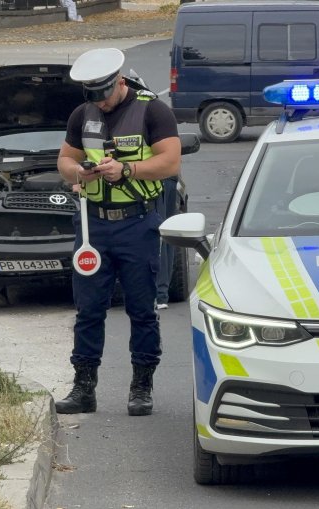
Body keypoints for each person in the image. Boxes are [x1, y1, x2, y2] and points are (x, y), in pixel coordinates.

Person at [56, 48, 181, 416]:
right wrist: (77, 173)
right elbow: (65, 158)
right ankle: (84, 387)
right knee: (88, 310)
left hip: (136, 223)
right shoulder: (83, 114)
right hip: (93, 225)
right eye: (91, 95)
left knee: (141, 309)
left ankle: (141, 385)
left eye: (104, 93)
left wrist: (126, 171)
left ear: (120, 82)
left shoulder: (152, 110)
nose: (100, 102)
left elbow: (170, 161)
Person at [154, 175, 178, 309]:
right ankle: (161, 293)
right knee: (166, 232)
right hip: (169, 177)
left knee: (157, 232)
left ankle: (159, 293)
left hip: (151, 179)